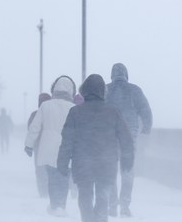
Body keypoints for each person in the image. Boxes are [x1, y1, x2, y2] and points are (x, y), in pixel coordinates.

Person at [57, 74, 134, 222]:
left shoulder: (75, 112)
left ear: (84, 91)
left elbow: (67, 140)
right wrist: (127, 159)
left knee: (84, 195)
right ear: (103, 92)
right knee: (103, 196)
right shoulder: (113, 112)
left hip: (82, 162)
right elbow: (126, 139)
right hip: (106, 162)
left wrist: (62, 162)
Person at [24, 76, 76, 216]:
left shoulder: (45, 106)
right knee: (64, 177)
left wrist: (29, 145)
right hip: (66, 148)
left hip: (48, 147)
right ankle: (61, 205)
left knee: (52, 177)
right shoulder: (73, 108)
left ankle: (54, 205)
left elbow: (35, 127)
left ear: (54, 89)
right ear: (71, 91)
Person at [106, 63, 153, 217]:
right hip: (128, 134)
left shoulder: (106, 90)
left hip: (110, 134)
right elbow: (146, 110)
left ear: (112, 75)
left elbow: (97, 109)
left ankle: (112, 206)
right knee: (127, 170)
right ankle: (125, 206)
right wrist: (146, 127)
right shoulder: (135, 90)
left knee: (111, 171)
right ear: (126, 75)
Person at [26, 93, 52, 197]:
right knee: (51, 168)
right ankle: (50, 190)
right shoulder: (53, 113)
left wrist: (30, 145)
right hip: (51, 145)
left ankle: (43, 191)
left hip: (38, 146)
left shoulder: (34, 114)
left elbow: (30, 129)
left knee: (40, 169)